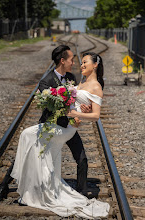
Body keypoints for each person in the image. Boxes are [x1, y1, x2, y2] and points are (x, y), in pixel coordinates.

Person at [10, 50, 110, 218]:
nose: (81, 65)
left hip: (67, 128)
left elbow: (96, 115)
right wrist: (75, 108)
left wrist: (78, 114)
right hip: (65, 124)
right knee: (40, 148)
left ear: (95, 65)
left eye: (85, 62)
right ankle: (39, 186)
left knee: (27, 134)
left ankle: (29, 182)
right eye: (81, 62)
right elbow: (74, 101)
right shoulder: (82, 82)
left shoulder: (96, 86)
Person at [38, 45, 89, 196]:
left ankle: (82, 192)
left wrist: (81, 109)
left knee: (82, 159)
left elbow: (75, 101)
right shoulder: (45, 82)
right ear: (62, 61)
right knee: (29, 152)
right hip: (50, 125)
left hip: (67, 126)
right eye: (72, 60)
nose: (74, 63)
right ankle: (3, 187)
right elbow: (50, 107)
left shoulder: (71, 78)